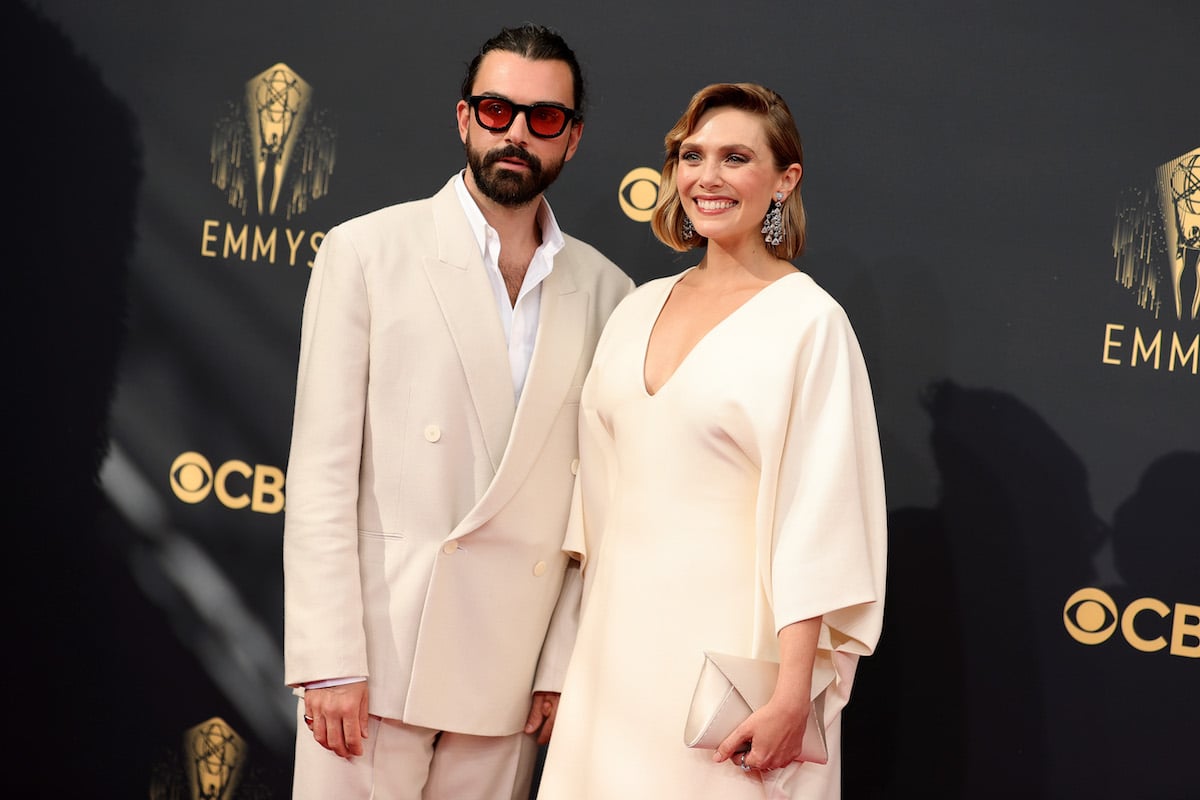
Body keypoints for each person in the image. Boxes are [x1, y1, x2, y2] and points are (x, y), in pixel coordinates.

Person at [282, 23, 633, 800]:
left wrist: (558, 663)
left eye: (543, 118)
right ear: (464, 117)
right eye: (496, 109)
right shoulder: (366, 253)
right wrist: (329, 659)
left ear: (572, 140)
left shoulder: (612, 294)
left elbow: (597, 511)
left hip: (506, 679)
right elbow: (320, 474)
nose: (516, 132)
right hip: (374, 668)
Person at [537, 83, 887, 799]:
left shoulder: (810, 323)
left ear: (784, 180)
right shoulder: (636, 308)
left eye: (736, 157)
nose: (708, 177)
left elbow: (820, 523)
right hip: (611, 656)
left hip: (728, 675)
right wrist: (566, 660)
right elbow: (592, 514)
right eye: (691, 156)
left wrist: (794, 695)